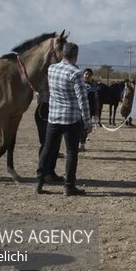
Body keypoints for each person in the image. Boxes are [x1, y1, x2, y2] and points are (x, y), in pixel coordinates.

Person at [36, 42, 92, 196]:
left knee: (47, 149)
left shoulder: (51, 69)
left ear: (62, 54)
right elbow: (83, 100)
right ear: (75, 56)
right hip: (71, 120)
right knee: (72, 152)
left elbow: (46, 91)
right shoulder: (75, 73)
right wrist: (88, 122)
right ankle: (69, 186)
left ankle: (39, 182)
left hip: (53, 118)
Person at [33, 89, 64, 182]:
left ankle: (51, 171)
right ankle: (43, 173)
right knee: (46, 143)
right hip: (44, 108)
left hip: (57, 109)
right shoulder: (44, 78)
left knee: (56, 143)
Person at [80, 68, 99, 152]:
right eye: (86, 74)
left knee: (85, 128)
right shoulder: (79, 84)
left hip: (89, 110)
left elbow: (95, 99)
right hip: (79, 110)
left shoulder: (94, 86)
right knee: (78, 127)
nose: (87, 76)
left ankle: (82, 144)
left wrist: (96, 111)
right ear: (83, 75)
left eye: (89, 75)